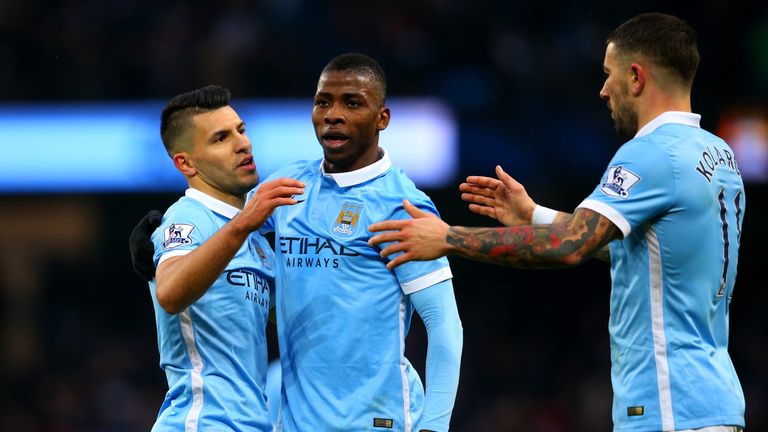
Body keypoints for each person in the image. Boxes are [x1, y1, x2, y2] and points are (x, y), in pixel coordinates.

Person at [369, 13, 745, 432]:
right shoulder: (719, 155)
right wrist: (535, 214)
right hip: (712, 400)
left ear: (637, 77)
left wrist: (448, 238)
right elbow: (635, 249)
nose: (603, 90)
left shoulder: (651, 154)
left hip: (672, 408)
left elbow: (570, 246)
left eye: (609, 75)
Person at [131, 54, 463, 431]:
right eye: (324, 102)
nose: (333, 114)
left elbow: (444, 326)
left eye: (352, 103)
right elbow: (218, 206)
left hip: (375, 420)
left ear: (382, 118)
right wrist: (156, 231)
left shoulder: (403, 206)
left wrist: (433, 428)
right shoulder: (290, 189)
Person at [145, 85, 304, 431]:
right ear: (185, 162)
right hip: (201, 422)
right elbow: (169, 292)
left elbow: (297, 319)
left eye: (241, 130)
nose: (242, 143)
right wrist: (244, 224)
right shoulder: (188, 218)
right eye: (220, 138)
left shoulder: (256, 241)